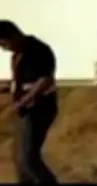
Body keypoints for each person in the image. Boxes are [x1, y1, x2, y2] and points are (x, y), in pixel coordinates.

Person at [0, 20, 59, 184]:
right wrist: (7, 88)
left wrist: (23, 101)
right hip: (25, 110)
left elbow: (44, 80)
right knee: (20, 160)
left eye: (3, 44)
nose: (3, 49)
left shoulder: (38, 50)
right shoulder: (19, 54)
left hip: (39, 109)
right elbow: (21, 81)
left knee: (29, 158)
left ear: (13, 36)